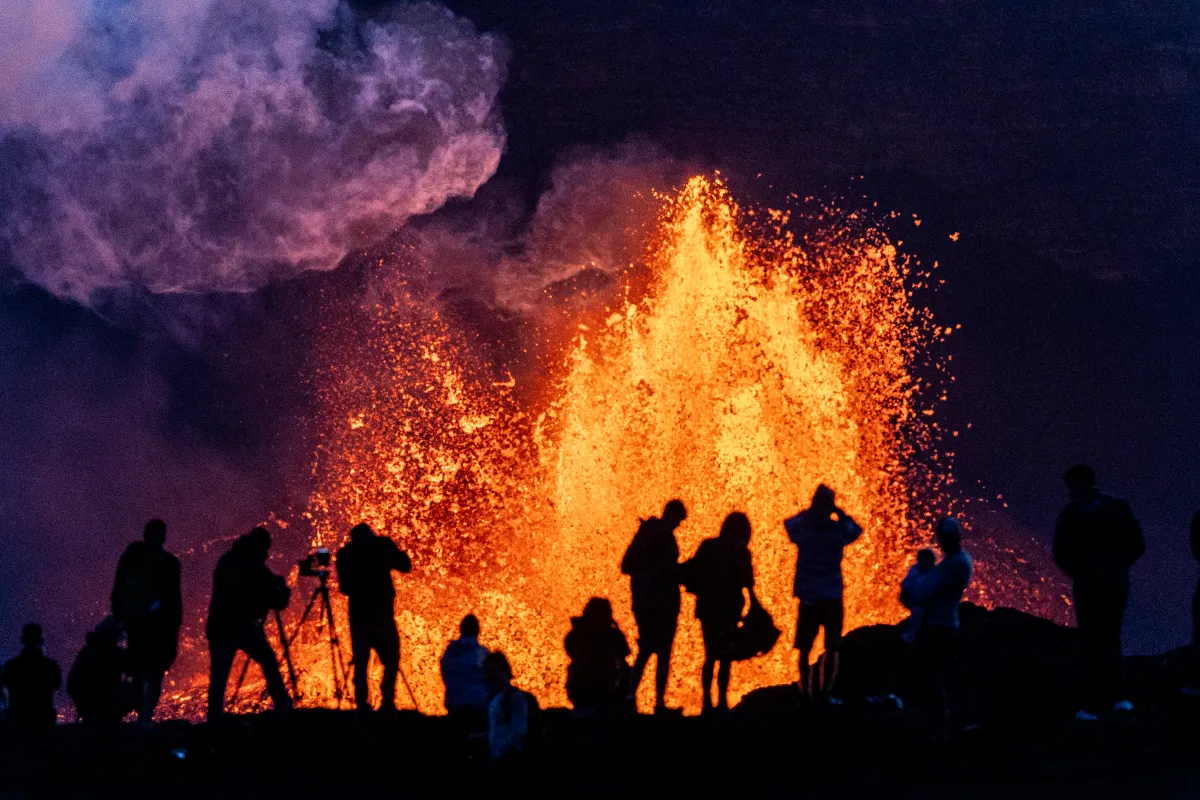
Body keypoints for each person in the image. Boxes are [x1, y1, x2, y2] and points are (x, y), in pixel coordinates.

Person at [1052, 464, 1145, 720]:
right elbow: (1137, 544)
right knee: (1103, 638)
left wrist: (1093, 571)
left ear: (1082, 483)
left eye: (1071, 486)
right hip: (1106, 582)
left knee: (1099, 638)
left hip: (1102, 584)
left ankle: (1101, 702)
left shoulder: (1080, 514)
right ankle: (1112, 699)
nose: (1069, 492)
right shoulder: (1110, 509)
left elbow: (1137, 543)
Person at [206, 527, 293, 722]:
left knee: (219, 678)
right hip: (244, 628)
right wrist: (283, 588)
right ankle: (282, 704)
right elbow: (277, 601)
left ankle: (213, 721)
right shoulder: (255, 567)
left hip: (221, 627)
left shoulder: (228, 559)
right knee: (268, 661)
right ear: (260, 547)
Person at [785, 485, 863, 702]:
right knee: (832, 647)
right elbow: (856, 531)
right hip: (831, 597)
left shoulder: (804, 533)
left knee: (804, 648)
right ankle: (825, 692)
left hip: (809, 598)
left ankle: (806, 693)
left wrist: (809, 513)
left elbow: (788, 524)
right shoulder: (837, 532)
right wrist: (839, 512)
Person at [905, 518, 973, 737]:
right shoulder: (953, 561)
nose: (941, 543)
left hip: (940, 627)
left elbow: (934, 591)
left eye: (943, 538)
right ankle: (933, 721)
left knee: (931, 674)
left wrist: (914, 596)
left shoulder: (957, 564)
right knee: (929, 674)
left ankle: (936, 724)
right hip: (939, 624)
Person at [111, 519, 182, 729]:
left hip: (139, 627)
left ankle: (142, 717)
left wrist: (121, 615)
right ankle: (145, 718)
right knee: (153, 673)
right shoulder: (168, 563)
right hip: (157, 629)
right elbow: (174, 600)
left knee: (140, 674)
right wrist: (174, 628)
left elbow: (118, 588)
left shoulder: (132, 559)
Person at [336, 522, 413, 713]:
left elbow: (344, 588)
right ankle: (387, 702)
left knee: (361, 662)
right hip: (382, 616)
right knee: (391, 661)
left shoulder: (346, 554)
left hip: (360, 618)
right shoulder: (382, 546)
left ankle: (362, 704)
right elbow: (405, 565)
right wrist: (390, 556)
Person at [684, 512, 755, 714]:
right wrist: (755, 605)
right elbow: (747, 581)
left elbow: (694, 572)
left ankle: (706, 700)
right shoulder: (741, 550)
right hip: (729, 610)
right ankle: (722, 700)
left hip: (707, 609)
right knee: (725, 657)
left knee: (710, 655)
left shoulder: (708, 546)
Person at [621, 499, 687, 713]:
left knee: (646, 650)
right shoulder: (663, 536)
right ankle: (658, 702)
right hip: (662, 603)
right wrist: (687, 572)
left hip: (642, 602)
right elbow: (668, 571)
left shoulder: (644, 533)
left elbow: (626, 565)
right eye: (678, 521)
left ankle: (630, 697)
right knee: (662, 652)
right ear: (672, 515)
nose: (678, 526)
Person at [564, 597, 631, 715]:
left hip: (579, 688)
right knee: (626, 668)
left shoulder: (577, 633)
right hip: (604, 686)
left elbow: (569, 650)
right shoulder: (612, 635)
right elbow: (624, 652)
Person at [67, 617, 136, 724]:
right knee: (133, 689)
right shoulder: (115, 654)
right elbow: (133, 669)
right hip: (104, 702)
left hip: (88, 705)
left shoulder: (86, 652)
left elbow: (71, 684)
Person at [1, 623, 61, 727]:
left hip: (19, 723)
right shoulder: (50, 666)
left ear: (23, 641)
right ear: (41, 641)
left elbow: (5, 685)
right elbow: (57, 684)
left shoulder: (12, 666)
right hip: (43, 723)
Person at [484, 651, 535, 762]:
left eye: (494, 671)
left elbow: (520, 729)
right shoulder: (495, 699)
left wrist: (503, 751)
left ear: (505, 671)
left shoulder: (514, 697)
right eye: (488, 672)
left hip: (510, 759)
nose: (490, 676)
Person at [441, 614, 490, 728]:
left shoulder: (449, 653)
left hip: (454, 706)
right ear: (478, 630)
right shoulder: (482, 654)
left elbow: (445, 676)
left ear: (461, 629)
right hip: (477, 711)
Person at [899, 549, 937, 645]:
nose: (920, 561)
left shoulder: (936, 574)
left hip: (929, 611)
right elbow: (905, 585)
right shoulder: (915, 570)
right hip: (916, 607)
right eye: (919, 559)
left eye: (923, 559)